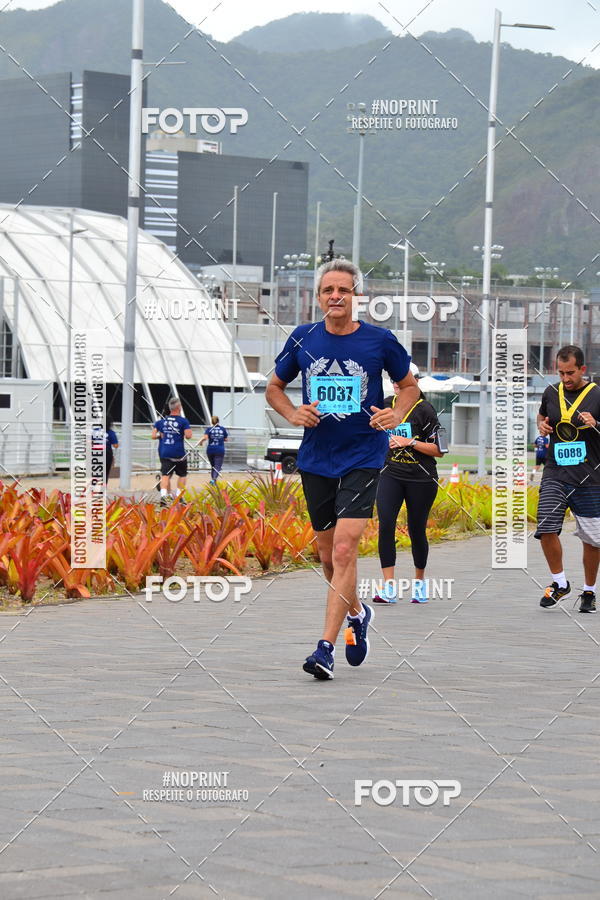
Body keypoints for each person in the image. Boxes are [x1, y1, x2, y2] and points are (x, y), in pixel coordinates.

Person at [266, 258, 420, 679]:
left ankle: (324, 649)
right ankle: (357, 613)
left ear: (355, 297)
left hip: (362, 456)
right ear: (318, 297)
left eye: (344, 290)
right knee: (327, 557)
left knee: (344, 549)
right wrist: (292, 413)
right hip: (317, 458)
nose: (335, 297)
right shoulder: (303, 339)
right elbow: (273, 389)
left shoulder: (379, 340)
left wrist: (394, 415)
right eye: (328, 290)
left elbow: (409, 387)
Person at [374, 366, 446, 605]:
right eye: (394, 379)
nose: (397, 383)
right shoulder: (385, 404)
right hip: (390, 474)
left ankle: (419, 584)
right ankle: (388, 588)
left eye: (403, 380)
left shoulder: (425, 409)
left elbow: (440, 450)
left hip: (421, 478)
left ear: (415, 382)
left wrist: (411, 442)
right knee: (386, 525)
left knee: (416, 530)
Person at [536, 345, 600, 614]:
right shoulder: (551, 392)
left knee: (593, 540)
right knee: (546, 526)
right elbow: (542, 414)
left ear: (582, 369)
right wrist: (541, 424)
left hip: (590, 476)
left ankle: (589, 592)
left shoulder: (597, 394)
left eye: (570, 372)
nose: (565, 378)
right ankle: (560, 583)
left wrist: (595, 423)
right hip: (556, 472)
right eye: (561, 372)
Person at [151, 397, 192, 506]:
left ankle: (164, 496)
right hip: (179, 453)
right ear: (179, 408)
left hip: (165, 452)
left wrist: (162, 435)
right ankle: (179, 496)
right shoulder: (183, 421)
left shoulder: (161, 422)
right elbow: (188, 436)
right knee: (182, 474)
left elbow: (153, 436)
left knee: (165, 475)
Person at [199, 415, 228, 484]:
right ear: (218, 421)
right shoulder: (222, 429)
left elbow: (205, 438)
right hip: (219, 450)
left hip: (210, 450)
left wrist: (201, 442)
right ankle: (214, 479)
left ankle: (213, 481)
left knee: (213, 466)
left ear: (212, 422)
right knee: (217, 466)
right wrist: (220, 438)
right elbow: (226, 439)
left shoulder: (209, 429)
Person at [90, 418, 119, 484]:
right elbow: (115, 445)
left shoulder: (95, 431)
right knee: (105, 472)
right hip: (107, 453)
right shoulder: (111, 433)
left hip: (96, 452)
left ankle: (94, 488)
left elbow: (91, 443)